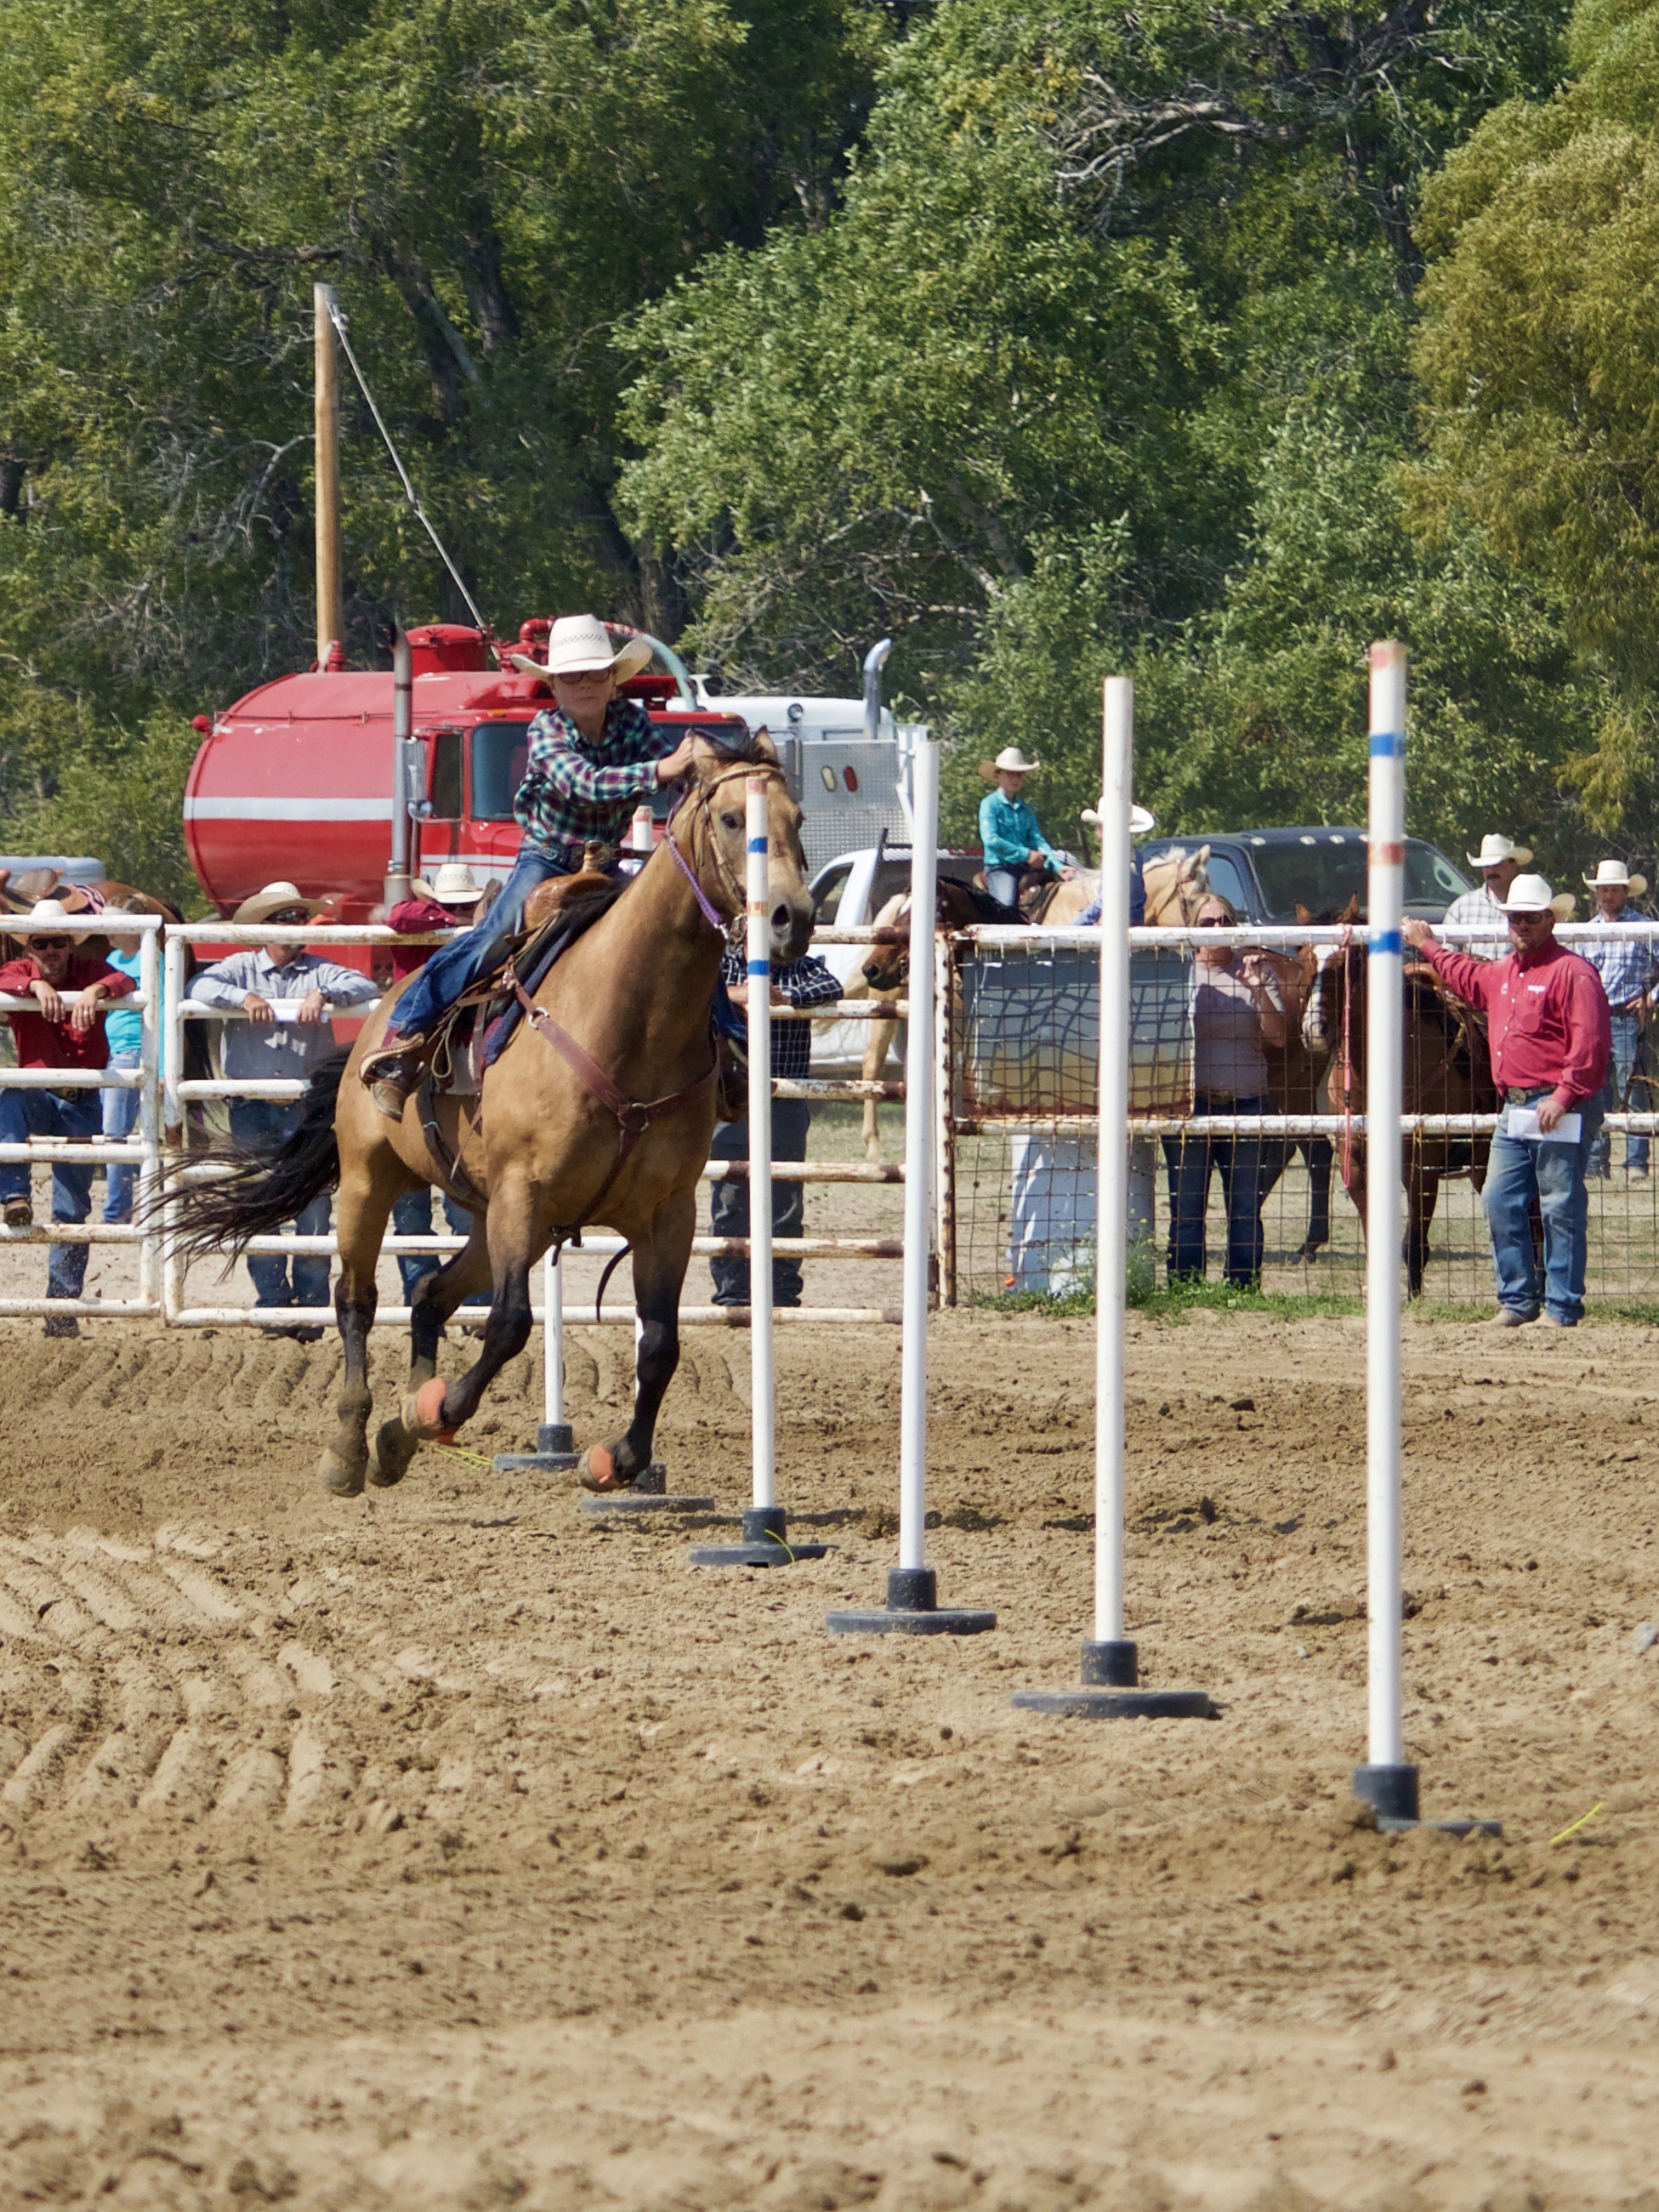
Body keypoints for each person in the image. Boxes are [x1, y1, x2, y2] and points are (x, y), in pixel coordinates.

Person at [361, 613, 699, 1117]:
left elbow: (672, 777)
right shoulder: (546, 729)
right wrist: (663, 768)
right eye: (571, 676)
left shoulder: (632, 722)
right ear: (555, 686)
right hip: (546, 859)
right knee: (496, 934)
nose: (583, 685)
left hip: (606, 862)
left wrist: (699, 771)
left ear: (612, 679)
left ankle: (724, 1058)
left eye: (593, 674)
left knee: (674, 936)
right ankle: (406, 1037)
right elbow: (582, 781)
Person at [1406, 873, 1611, 1328]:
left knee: (1559, 1204)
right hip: (1517, 1108)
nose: (1521, 924)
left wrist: (1563, 1094)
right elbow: (1464, 976)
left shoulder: (1573, 972)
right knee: (1500, 1198)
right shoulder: (1503, 973)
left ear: (1548, 920)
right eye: (1515, 917)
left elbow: (1591, 1042)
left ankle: (1559, 1306)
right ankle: (1519, 1301)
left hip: (1557, 1106)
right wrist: (1429, 947)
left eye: (1530, 917)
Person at [190, 883, 380, 1339]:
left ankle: (311, 1309)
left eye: (298, 917)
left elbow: (364, 985)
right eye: (285, 918)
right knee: (264, 1204)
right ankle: (274, 1304)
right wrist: (244, 998)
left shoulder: (321, 970)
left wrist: (325, 996)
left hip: (303, 1106)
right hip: (252, 1103)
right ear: (265, 927)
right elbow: (201, 984)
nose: (296, 926)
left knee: (313, 1209)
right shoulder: (238, 969)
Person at [0, 899, 136, 1336]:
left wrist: (95, 993)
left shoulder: (91, 971)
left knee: (72, 1207)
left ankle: (60, 1307)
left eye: (60, 941)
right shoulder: (19, 972)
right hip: (40, 1093)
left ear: (70, 944)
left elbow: (123, 978)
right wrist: (36, 988)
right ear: (30, 948)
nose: (52, 949)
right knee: (8, 1099)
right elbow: (5, 978)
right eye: (42, 943)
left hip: (80, 1102)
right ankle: (13, 1195)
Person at [1163, 893, 1287, 1288]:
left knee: (1246, 1207)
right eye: (1208, 922)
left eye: (1225, 921)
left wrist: (1257, 990)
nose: (1218, 929)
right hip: (1189, 1108)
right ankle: (1184, 1286)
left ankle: (1243, 1286)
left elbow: (1280, 1038)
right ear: (1192, 929)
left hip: (1248, 1105)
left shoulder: (1256, 971)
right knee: (1187, 1206)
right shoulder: (1177, 974)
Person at [708, 944, 841, 1308]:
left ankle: (781, 1292)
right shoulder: (720, 964)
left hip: (783, 1097)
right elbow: (695, 989)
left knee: (784, 1200)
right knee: (730, 1198)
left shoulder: (800, 966)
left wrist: (780, 997)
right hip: (732, 1096)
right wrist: (741, 994)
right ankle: (734, 1293)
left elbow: (832, 987)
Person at [383, 864, 489, 1305]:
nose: (460, 913)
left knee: (465, 1203)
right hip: (431, 1061)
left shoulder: (479, 937)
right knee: (411, 1212)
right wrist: (459, 925)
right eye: (451, 906)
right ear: (437, 904)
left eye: (467, 906)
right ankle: (419, 1297)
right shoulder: (421, 922)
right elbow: (398, 917)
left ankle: (467, 1297)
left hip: (454, 1064)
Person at [1578, 859, 1656, 1180]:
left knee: (1633, 1089)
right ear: (1597, 893)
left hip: (1628, 1016)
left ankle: (1636, 1162)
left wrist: (1652, 997)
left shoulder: (1644, 927)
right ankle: (1597, 1162)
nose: (1608, 895)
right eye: (1603, 889)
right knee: (1595, 1090)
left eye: (1613, 889)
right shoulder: (1585, 932)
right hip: (1595, 1017)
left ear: (1625, 892)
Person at [98, 896, 154, 1227]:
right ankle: (125, 1205)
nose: (108, 931)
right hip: (115, 1051)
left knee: (114, 1133)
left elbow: (159, 1010)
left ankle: (117, 1211)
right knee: (115, 1132)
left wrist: (159, 1065)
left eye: (114, 924)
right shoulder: (113, 958)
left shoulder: (152, 959)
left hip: (133, 1051)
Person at [977, 748, 1076, 909]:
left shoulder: (1025, 808)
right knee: (1006, 906)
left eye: (1019, 774)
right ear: (998, 775)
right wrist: (1027, 854)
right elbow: (990, 840)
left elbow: (1038, 840)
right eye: (1010, 773)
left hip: (1026, 867)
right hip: (1000, 868)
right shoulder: (990, 804)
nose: (1015, 778)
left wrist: (1058, 867)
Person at [1444, 833, 1534, 961]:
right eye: (1486, 865)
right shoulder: (1462, 908)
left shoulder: (1532, 905)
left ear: (1513, 864)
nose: (1491, 871)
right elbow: (1448, 960)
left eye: (1497, 864)